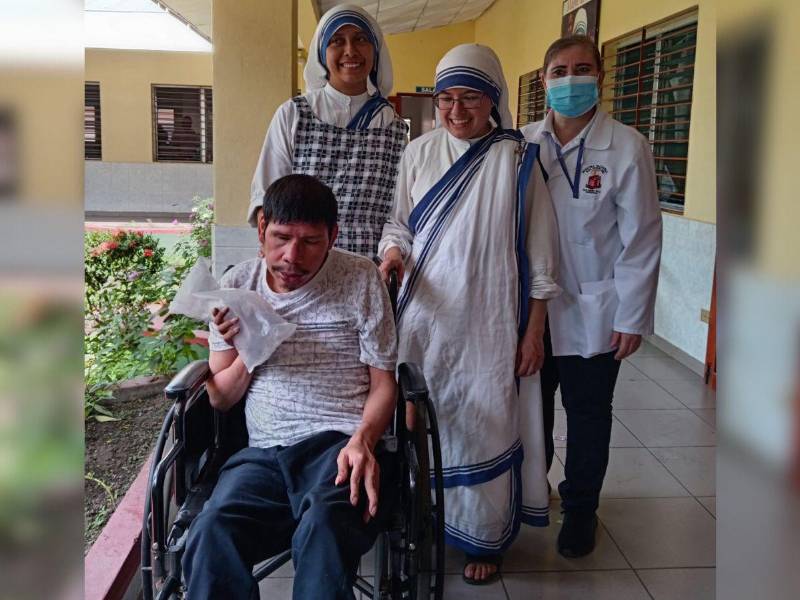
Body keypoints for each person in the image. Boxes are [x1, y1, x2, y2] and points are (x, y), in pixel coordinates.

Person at [379, 44, 560, 585]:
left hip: (489, 323)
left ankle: (484, 537)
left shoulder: (519, 159)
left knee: (484, 420)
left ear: (493, 100)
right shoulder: (418, 153)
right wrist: (392, 253)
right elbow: (398, 225)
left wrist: (534, 333)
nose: (456, 111)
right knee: (421, 423)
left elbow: (543, 256)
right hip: (424, 321)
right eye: (446, 99)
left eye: (470, 98)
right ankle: (423, 519)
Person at [182, 174, 399, 600]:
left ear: (333, 236)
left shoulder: (360, 280)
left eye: (310, 242)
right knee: (212, 529)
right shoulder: (238, 287)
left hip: (337, 447)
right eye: (280, 238)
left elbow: (384, 384)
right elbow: (221, 398)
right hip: (262, 455)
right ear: (262, 228)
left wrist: (364, 441)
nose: (291, 257)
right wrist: (250, 346)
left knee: (324, 524)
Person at [520, 35, 663, 558]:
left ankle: (581, 510)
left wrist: (631, 316)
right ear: (543, 79)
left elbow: (642, 237)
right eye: (559, 70)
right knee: (531, 412)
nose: (570, 80)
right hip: (532, 311)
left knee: (587, 414)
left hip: (595, 309)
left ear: (600, 76)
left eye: (583, 69)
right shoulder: (522, 142)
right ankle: (532, 495)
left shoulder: (627, 146)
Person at [249, 4, 407, 258]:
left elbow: (398, 212)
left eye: (361, 39)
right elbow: (267, 193)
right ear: (322, 52)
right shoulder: (294, 114)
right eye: (337, 41)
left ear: (375, 50)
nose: (350, 51)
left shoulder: (392, 127)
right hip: (301, 261)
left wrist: (392, 253)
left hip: (368, 266)